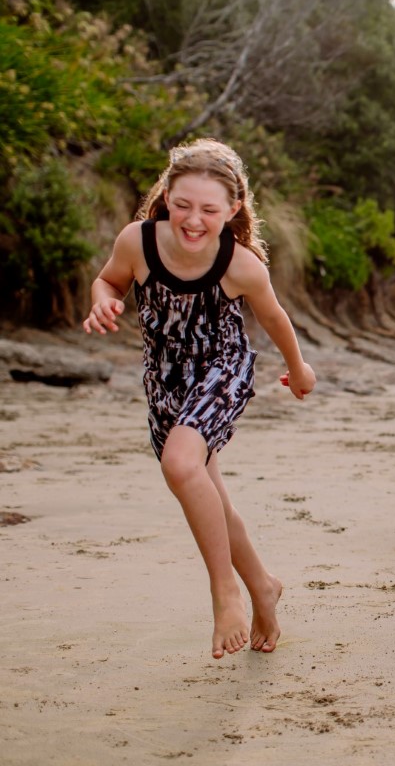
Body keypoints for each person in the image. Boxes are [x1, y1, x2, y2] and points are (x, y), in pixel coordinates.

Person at [82, 138, 317, 659]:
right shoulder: (137, 242)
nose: (193, 220)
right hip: (164, 381)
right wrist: (103, 304)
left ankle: (224, 592)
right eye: (182, 204)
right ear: (166, 195)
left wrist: (298, 370)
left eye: (209, 210)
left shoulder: (240, 264)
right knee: (203, 486)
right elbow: (109, 282)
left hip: (221, 369)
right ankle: (262, 584)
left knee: (180, 464)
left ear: (232, 210)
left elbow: (274, 318)